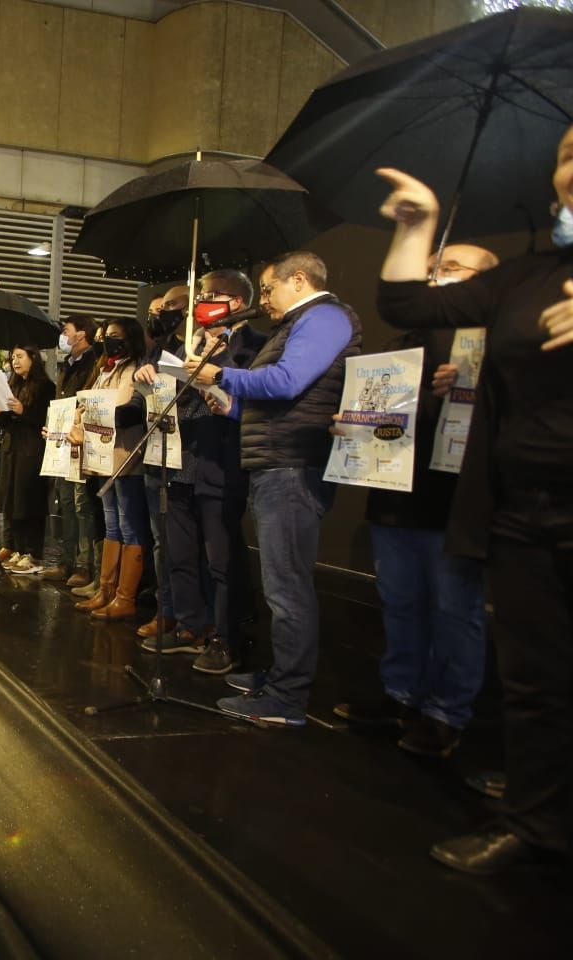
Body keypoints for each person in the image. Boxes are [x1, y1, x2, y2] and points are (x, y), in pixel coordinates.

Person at [374, 138, 573, 874]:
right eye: (566, 153)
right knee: (537, 680)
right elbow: (402, 300)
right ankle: (535, 819)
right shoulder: (529, 276)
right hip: (524, 508)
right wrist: (416, 228)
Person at [334, 244, 498, 757]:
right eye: (432, 268)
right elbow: (386, 414)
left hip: (458, 500)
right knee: (401, 602)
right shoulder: (404, 341)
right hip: (396, 495)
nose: (436, 277)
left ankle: (448, 713)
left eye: (451, 269)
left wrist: (477, 386)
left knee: (455, 609)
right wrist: (352, 424)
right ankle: (402, 692)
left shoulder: (497, 344)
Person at [191, 251, 361, 726]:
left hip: (292, 465)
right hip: (274, 460)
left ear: (299, 280)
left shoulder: (324, 316)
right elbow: (280, 400)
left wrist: (221, 374)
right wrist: (234, 409)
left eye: (267, 289)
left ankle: (288, 697)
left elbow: (287, 382)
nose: (264, 299)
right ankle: (280, 673)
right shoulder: (295, 324)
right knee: (279, 583)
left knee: (288, 588)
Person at [133, 270, 265, 674]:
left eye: (210, 295)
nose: (201, 302)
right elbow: (158, 389)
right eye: (201, 295)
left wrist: (217, 371)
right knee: (179, 553)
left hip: (220, 461)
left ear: (236, 303)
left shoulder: (255, 346)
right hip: (177, 459)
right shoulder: (187, 343)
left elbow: (256, 398)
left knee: (221, 560)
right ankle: (191, 624)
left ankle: (225, 637)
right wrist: (147, 378)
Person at [76, 318, 151, 620]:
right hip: (103, 457)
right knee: (111, 524)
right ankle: (106, 589)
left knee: (129, 524)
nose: (108, 340)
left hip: (126, 457)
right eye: (106, 336)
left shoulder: (134, 370)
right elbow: (90, 404)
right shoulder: (106, 369)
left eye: (115, 336)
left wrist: (95, 414)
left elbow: (127, 410)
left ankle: (125, 596)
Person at [45, 315, 102, 586]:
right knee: (65, 502)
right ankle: (66, 562)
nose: (63, 337)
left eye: (66, 331)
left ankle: (84, 565)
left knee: (82, 505)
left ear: (81, 334)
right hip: (62, 442)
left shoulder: (94, 363)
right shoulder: (66, 366)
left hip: (83, 441)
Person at [0, 345, 54, 572]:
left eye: (20, 356)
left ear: (33, 358)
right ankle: (15, 546)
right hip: (11, 448)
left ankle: (33, 552)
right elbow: (8, 422)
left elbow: (44, 419)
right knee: (11, 497)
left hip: (32, 449)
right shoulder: (13, 384)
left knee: (29, 499)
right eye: (13, 357)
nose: (15, 361)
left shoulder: (46, 387)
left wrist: (22, 411)